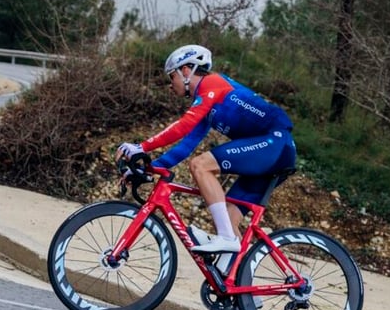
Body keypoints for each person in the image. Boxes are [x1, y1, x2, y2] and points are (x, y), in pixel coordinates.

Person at [117, 44, 296, 256]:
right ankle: (231, 284)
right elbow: (185, 146)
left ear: (186, 71)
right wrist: (149, 168)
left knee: (200, 165)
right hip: (268, 153)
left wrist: (141, 147)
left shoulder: (212, 84)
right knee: (228, 220)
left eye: (171, 77)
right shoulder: (206, 104)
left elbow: (183, 126)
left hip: (275, 144)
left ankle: (227, 239)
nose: (170, 84)